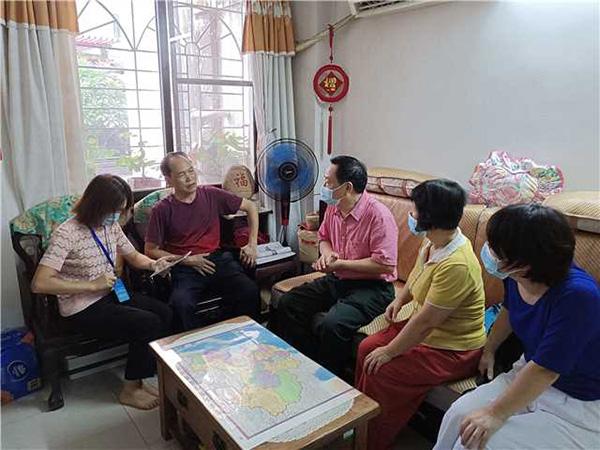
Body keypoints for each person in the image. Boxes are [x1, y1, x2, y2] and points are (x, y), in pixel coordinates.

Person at [435, 204, 600, 450]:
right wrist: (489, 349)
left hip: (577, 398)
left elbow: (547, 370)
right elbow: (509, 310)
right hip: (528, 372)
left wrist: (494, 413)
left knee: (478, 443)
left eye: (494, 248)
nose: (488, 251)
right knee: (458, 415)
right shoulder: (516, 276)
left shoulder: (578, 296)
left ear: (524, 262)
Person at [355, 179, 486, 450]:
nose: (411, 214)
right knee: (366, 348)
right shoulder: (432, 242)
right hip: (424, 330)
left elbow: (426, 322)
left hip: (451, 348)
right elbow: (416, 277)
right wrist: (400, 299)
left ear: (429, 216)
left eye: (414, 210)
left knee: (382, 368)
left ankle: (372, 440)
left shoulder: (457, 264)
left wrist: (390, 351)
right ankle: (360, 420)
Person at [31, 175, 175, 410]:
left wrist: (154, 264)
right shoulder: (67, 234)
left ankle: (140, 379)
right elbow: (40, 283)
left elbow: (133, 256)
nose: (118, 216)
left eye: (122, 210)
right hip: (82, 307)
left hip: (110, 294)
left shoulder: (110, 226)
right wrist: (91, 285)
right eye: (115, 210)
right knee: (147, 323)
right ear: (96, 205)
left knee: (164, 313)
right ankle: (130, 389)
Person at [274, 155, 398, 376]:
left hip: (373, 288)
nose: (324, 187)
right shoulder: (334, 207)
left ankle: (329, 379)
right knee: (289, 303)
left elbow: (385, 265)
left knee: (333, 325)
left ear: (347, 187)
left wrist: (340, 263)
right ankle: (303, 365)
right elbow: (324, 238)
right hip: (339, 278)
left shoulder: (379, 216)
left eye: (328, 182)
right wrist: (328, 255)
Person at [145, 152, 260, 330]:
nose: (189, 178)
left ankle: (241, 336)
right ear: (169, 180)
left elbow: (251, 207)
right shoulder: (161, 209)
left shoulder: (210, 194)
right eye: (182, 174)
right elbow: (150, 250)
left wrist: (252, 244)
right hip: (184, 266)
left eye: (191, 171)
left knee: (249, 291)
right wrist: (186, 260)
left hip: (216, 259)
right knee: (181, 304)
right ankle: (195, 344)